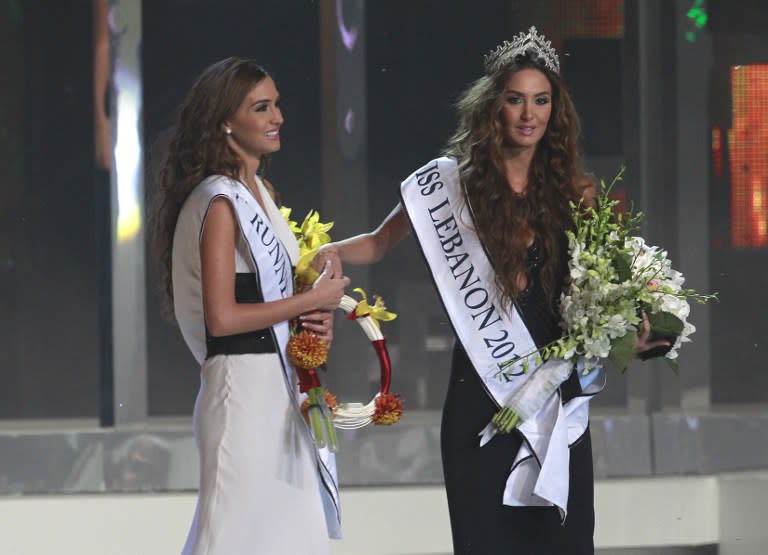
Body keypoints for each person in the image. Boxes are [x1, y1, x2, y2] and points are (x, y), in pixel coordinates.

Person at [315, 28, 664, 554]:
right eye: (515, 99)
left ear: (556, 111)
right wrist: (317, 254)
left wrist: (643, 327)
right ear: (492, 107)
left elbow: (618, 287)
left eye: (541, 100)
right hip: (480, 396)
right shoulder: (451, 187)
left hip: (552, 396)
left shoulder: (579, 193)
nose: (529, 114)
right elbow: (380, 243)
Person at [152, 57, 349, 555]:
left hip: (279, 392)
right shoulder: (219, 202)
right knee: (231, 538)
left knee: (290, 538)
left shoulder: (256, 192)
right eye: (261, 108)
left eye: (277, 104)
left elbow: (273, 299)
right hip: (241, 394)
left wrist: (312, 319)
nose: (276, 117)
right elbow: (224, 317)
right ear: (225, 122)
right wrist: (310, 298)